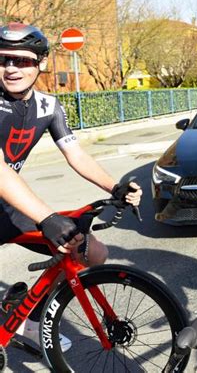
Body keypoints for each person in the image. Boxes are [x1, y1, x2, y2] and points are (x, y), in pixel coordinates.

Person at [0, 22, 143, 348]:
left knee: (91, 251)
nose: (11, 68)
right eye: (3, 59)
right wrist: (46, 217)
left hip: (5, 206)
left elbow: (75, 154)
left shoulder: (49, 106)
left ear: (41, 63)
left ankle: (31, 320)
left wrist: (114, 187)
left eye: (21, 60)